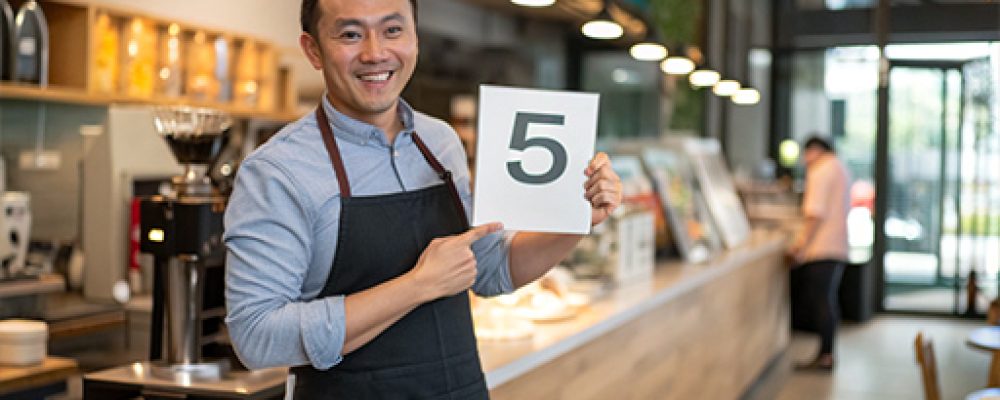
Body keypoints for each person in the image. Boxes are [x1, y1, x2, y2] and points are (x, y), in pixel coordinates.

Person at [222, 0, 623, 398]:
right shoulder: (277, 171)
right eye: (350, 34)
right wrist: (418, 285)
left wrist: (578, 219)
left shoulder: (441, 143)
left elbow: (489, 269)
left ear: (415, 36)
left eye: (393, 30)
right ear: (313, 50)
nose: (375, 52)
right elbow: (255, 336)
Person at [788, 136, 850, 371]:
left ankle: (825, 355)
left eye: (806, 154)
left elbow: (815, 212)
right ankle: (826, 353)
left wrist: (801, 245)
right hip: (837, 245)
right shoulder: (839, 167)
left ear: (815, 150)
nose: (805, 160)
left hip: (823, 247)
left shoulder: (821, 170)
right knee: (828, 300)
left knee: (822, 301)